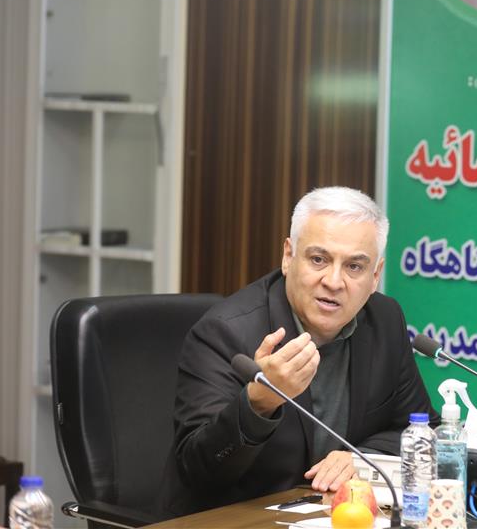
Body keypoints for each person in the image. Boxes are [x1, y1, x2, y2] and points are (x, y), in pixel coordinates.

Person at [158, 187, 435, 517]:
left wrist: (361, 458)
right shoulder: (225, 332)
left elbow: (421, 431)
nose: (334, 281)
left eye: (354, 267)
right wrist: (259, 402)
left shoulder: (384, 320)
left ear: (375, 276)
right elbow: (197, 469)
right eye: (319, 260)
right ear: (288, 257)